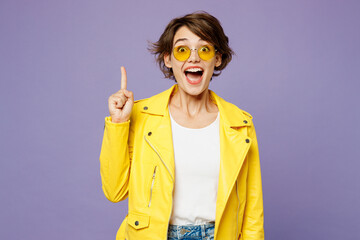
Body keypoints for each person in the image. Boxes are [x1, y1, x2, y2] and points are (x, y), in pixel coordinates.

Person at [100, 12, 264, 240]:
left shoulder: (240, 124)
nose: (193, 58)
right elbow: (114, 190)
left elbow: (253, 214)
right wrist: (119, 123)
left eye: (204, 49)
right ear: (168, 59)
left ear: (217, 58)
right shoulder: (142, 116)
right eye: (182, 50)